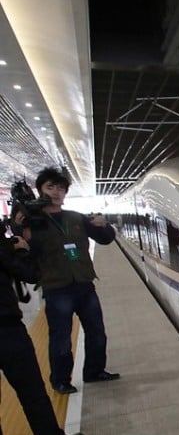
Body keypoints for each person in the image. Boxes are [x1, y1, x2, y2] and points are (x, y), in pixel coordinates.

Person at [18, 167, 120, 394]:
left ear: (65, 192)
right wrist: (21, 229)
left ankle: (94, 371)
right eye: (50, 187)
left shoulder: (76, 218)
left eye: (60, 188)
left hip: (84, 285)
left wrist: (105, 226)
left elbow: (105, 240)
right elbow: (27, 255)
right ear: (40, 190)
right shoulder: (33, 222)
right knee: (61, 338)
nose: (56, 192)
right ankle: (61, 379)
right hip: (56, 289)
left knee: (97, 332)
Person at [0, 228, 85, 435]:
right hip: (8, 328)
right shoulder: (3, 247)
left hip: (8, 326)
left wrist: (23, 250)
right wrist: (10, 250)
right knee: (31, 387)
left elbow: (31, 274)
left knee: (32, 387)